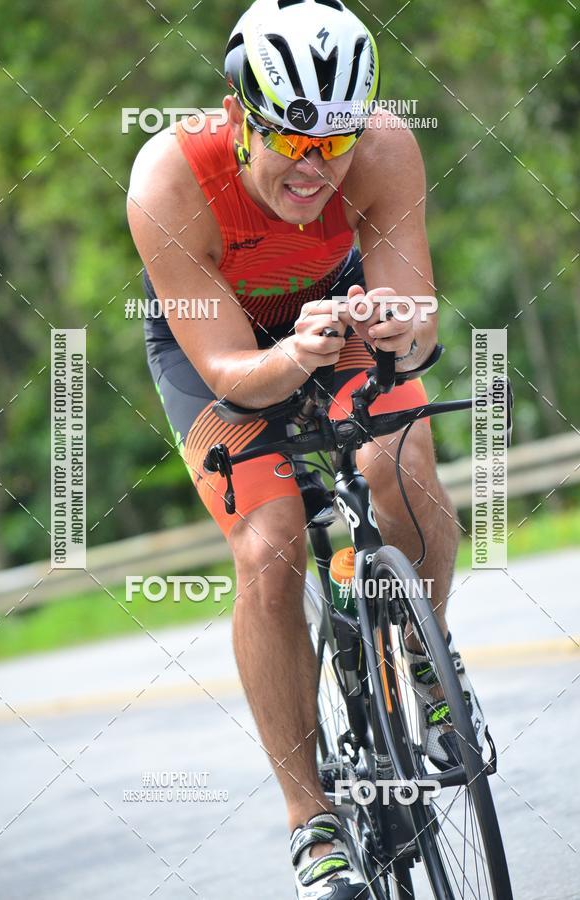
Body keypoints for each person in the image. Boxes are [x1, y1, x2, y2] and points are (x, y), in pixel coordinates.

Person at [127, 0, 484, 895]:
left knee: (401, 466)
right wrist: (290, 355)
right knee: (271, 543)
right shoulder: (168, 180)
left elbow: (415, 311)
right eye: (295, 139)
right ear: (243, 114)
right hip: (219, 349)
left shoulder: (389, 149)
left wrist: (391, 322)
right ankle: (310, 817)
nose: (317, 167)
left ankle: (427, 665)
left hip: (335, 307)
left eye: (338, 142)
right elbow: (230, 372)